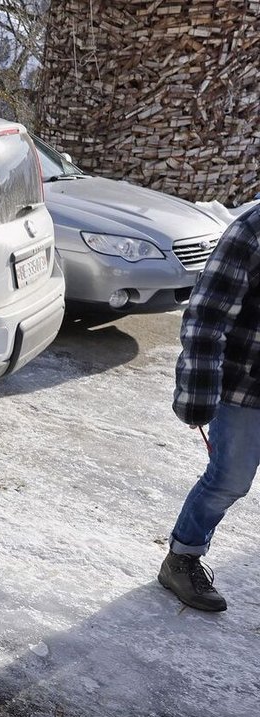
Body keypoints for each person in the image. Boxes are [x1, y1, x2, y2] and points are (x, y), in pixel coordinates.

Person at [162, 203, 260, 613]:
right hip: (246, 389)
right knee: (229, 480)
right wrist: (199, 390)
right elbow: (207, 315)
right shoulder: (252, 230)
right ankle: (182, 557)